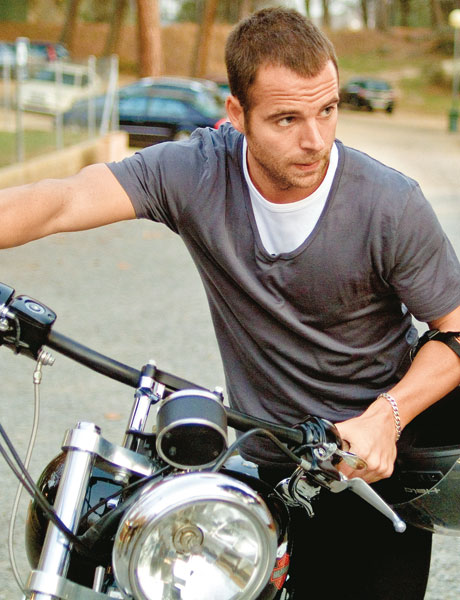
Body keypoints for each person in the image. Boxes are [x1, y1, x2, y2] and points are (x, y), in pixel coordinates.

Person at [1, 7, 460, 598]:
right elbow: (63, 199)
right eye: (286, 118)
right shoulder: (196, 172)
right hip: (267, 462)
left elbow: (455, 329)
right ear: (237, 114)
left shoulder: (390, 205)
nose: (314, 140)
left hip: (374, 471)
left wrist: (386, 417)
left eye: (327, 110)